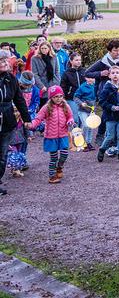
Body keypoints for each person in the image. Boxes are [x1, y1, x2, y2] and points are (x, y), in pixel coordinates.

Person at [26, 85, 74, 184]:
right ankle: (52, 176)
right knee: (54, 158)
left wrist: (70, 121)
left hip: (63, 135)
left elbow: (70, 116)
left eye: (60, 96)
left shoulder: (65, 106)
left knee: (64, 154)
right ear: (51, 97)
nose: (58, 98)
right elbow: (38, 118)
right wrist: (32, 125)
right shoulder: (46, 107)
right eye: (56, 96)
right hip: (51, 137)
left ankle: (59, 167)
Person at [0, 51, 32, 194]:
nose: (4, 63)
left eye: (6, 61)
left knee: (2, 154)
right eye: (1, 61)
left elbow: (19, 99)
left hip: (7, 120)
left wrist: (26, 119)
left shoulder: (11, 79)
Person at [97, 65, 119, 161]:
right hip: (110, 116)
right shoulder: (107, 88)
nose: (115, 75)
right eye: (113, 73)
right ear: (109, 75)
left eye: (117, 73)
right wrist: (112, 107)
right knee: (110, 135)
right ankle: (102, 150)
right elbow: (102, 101)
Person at [31, 41, 60, 106]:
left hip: (53, 82)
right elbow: (35, 74)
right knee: (44, 105)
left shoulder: (54, 57)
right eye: (42, 48)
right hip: (42, 84)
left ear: (49, 48)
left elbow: (57, 71)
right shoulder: (35, 58)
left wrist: (57, 82)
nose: (43, 50)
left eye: (45, 48)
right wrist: (41, 86)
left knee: (54, 105)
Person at [73, 76, 97, 151]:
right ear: (86, 78)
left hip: (92, 110)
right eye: (89, 77)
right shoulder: (82, 87)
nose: (91, 79)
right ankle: (82, 142)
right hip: (82, 110)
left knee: (90, 126)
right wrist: (81, 103)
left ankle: (88, 143)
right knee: (86, 125)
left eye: (92, 77)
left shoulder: (96, 86)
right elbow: (75, 97)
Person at [60, 52, 85, 121]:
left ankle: (82, 132)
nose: (79, 62)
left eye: (80, 60)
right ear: (71, 61)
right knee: (75, 118)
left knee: (83, 119)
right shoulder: (66, 73)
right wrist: (64, 97)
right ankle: (74, 132)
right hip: (72, 98)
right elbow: (63, 87)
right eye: (76, 60)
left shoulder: (84, 71)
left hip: (84, 98)